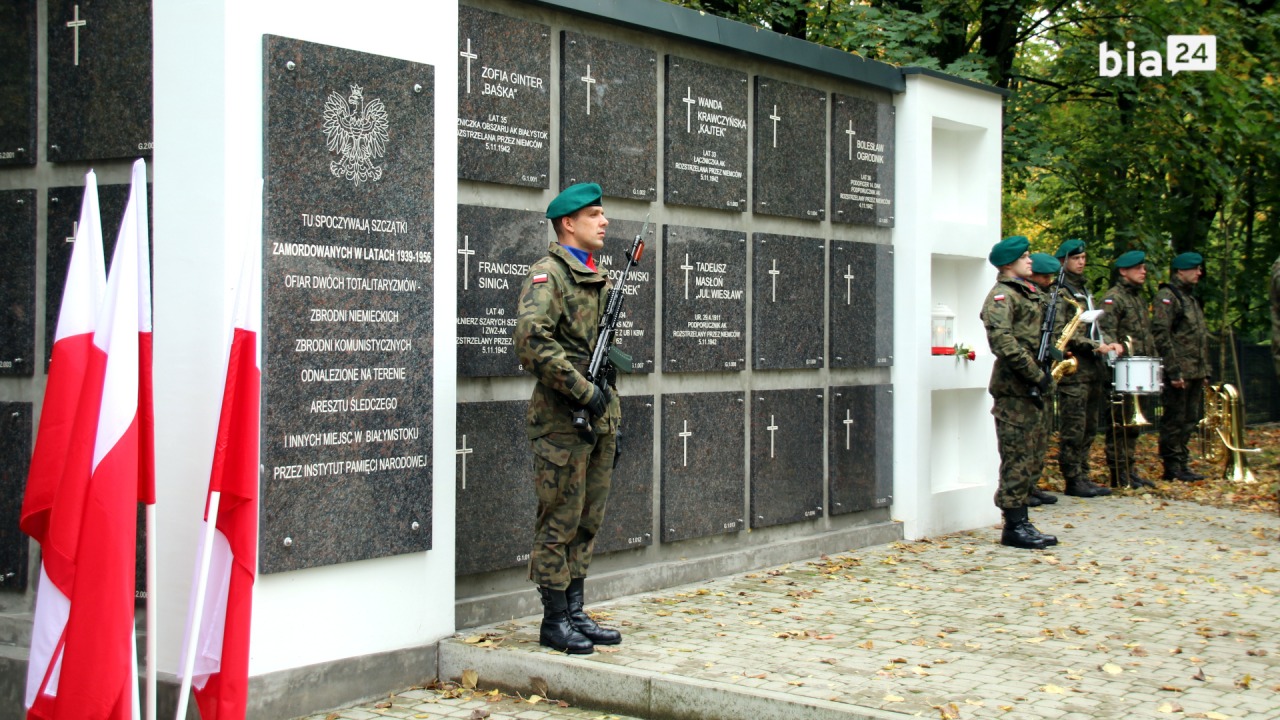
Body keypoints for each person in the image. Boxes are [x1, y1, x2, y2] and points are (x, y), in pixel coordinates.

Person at [513, 182, 622, 654]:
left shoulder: (596, 275)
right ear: (567, 224)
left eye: (602, 213)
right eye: (594, 214)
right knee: (559, 521)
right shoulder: (549, 275)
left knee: (587, 519)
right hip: (562, 419)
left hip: (596, 418)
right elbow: (531, 341)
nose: (604, 222)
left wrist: (605, 396)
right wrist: (582, 390)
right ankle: (554, 620)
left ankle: (575, 610)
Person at [981, 237, 1058, 550]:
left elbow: (1032, 336)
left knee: (1033, 454)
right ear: (1008, 264)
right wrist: (1035, 374)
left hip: (1032, 386)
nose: (1031, 261)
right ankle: (1013, 525)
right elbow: (1004, 343)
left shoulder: (1030, 293)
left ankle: (1023, 519)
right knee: (1017, 457)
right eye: (1025, 257)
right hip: (1016, 388)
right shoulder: (1002, 296)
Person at [1052, 240, 1122, 498]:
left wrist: (1105, 344)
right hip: (1075, 369)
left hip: (1093, 368)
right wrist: (1094, 345)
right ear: (1063, 261)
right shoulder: (1060, 292)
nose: (1081, 262)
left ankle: (1083, 473)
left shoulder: (1084, 290)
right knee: (1074, 426)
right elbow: (1063, 332)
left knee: (1090, 426)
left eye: (1083, 257)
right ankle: (1072, 477)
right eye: (1076, 258)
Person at [1098, 250, 1157, 489]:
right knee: (1120, 421)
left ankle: (1129, 469)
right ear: (1123, 271)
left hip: (1140, 365)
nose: (1143, 272)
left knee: (1134, 422)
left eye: (1144, 268)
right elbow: (1107, 330)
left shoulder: (1137, 298)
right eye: (1138, 268)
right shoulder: (1114, 297)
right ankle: (1118, 472)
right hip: (1124, 367)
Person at [1152, 252, 1211, 481]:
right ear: (1180, 271)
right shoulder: (1168, 297)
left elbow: (1198, 337)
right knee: (1174, 419)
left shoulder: (1190, 299)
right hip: (1179, 371)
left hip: (1194, 370)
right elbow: (1162, 335)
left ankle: (1182, 462)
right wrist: (1173, 370)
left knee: (1189, 419)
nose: (1199, 273)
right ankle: (1172, 465)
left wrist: (1205, 370)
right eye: (1194, 269)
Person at [1024, 253, 1063, 507]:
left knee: (1042, 433)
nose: (1048, 281)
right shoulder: (1023, 297)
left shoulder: (1045, 298)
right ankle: (1023, 490)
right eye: (1044, 276)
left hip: (1043, 373)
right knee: (1026, 438)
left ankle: (1033, 483)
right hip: (1029, 375)